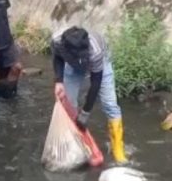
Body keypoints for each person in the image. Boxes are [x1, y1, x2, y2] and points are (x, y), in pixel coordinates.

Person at [51, 26, 128, 163]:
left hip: (100, 65)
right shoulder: (57, 40)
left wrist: (85, 113)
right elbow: (57, 58)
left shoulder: (95, 51)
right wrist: (59, 81)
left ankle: (118, 149)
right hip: (72, 67)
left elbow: (96, 83)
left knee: (110, 104)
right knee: (68, 103)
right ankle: (77, 143)